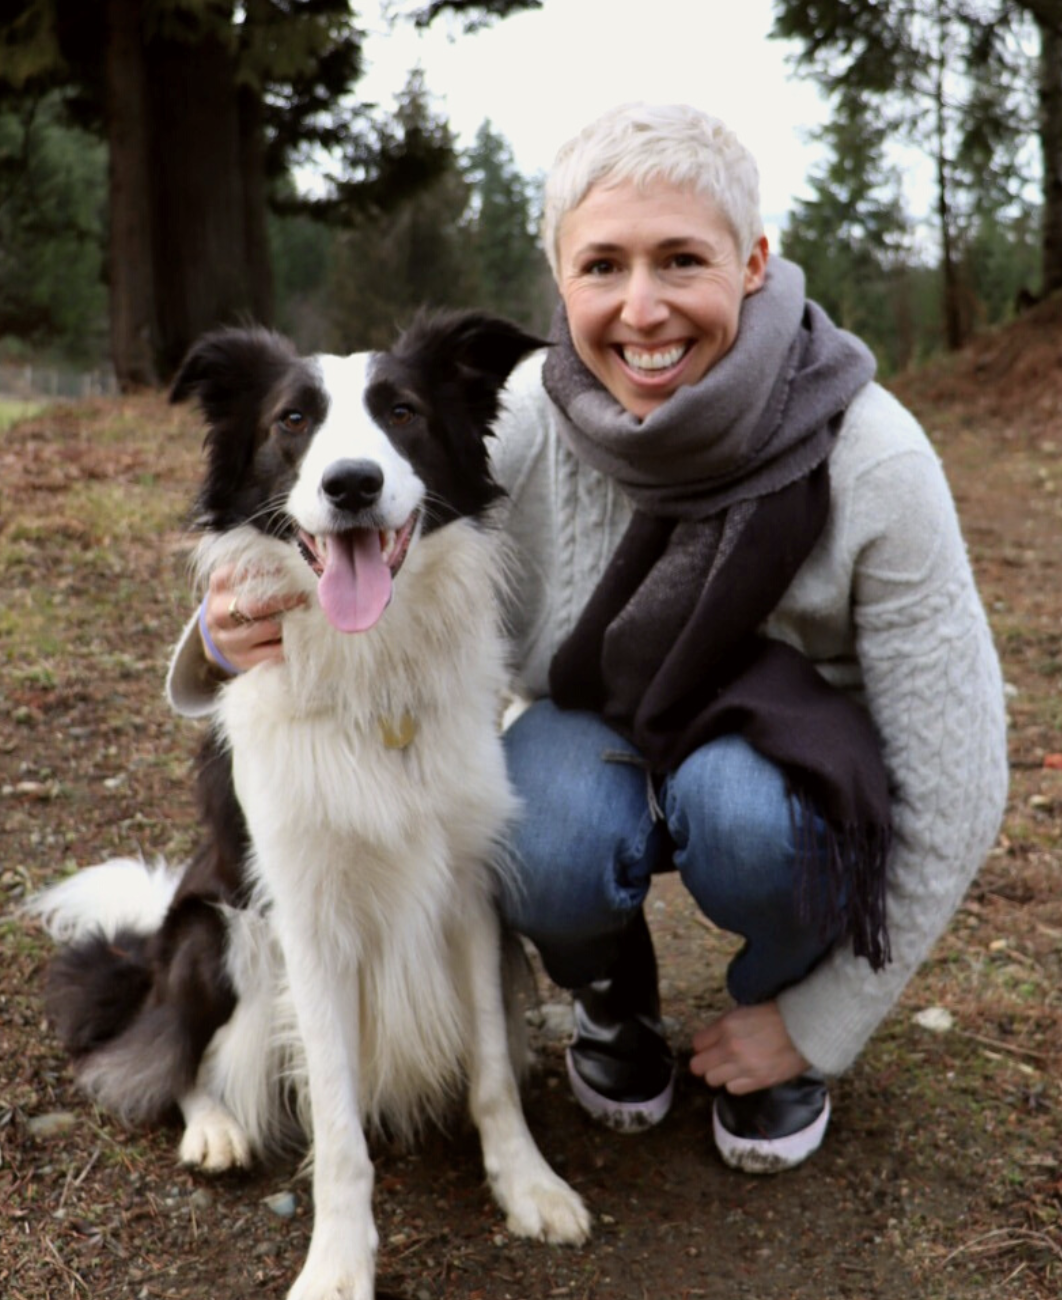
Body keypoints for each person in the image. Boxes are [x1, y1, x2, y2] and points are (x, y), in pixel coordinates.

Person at [168, 103, 1008, 1173]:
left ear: (754, 262)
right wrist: (220, 632)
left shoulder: (875, 458)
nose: (642, 307)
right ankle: (612, 1003)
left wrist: (823, 1018)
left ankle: (769, 1018)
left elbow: (963, 781)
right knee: (541, 823)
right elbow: (341, 542)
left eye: (682, 261)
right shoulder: (518, 416)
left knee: (744, 816)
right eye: (603, 265)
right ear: (559, 277)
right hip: (599, 735)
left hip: (786, 763)